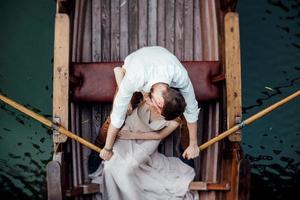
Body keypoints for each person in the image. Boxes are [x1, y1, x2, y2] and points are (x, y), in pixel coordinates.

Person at [89, 66, 199, 200]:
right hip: (128, 129)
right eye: (159, 106)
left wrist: (132, 136)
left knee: (128, 168)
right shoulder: (148, 94)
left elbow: (159, 135)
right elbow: (118, 70)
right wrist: (125, 97)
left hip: (149, 140)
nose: (158, 110)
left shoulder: (175, 118)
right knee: (109, 167)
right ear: (161, 100)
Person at [99, 46, 200, 162]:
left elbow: (192, 109)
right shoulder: (134, 79)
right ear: (160, 102)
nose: (156, 112)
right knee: (116, 115)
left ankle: (188, 150)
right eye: (158, 110)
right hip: (133, 67)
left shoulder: (180, 75)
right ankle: (100, 144)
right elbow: (117, 116)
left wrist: (193, 143)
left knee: (185, 115)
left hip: (161, 58)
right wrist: (108, 148)